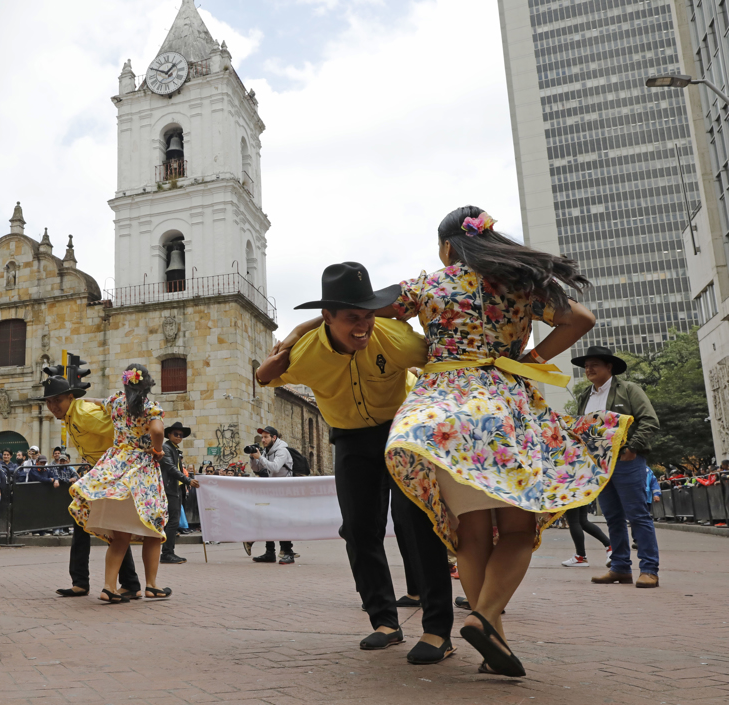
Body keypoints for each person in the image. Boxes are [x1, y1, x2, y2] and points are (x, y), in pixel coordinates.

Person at [381, 207, 631, 677]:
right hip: (503, 411)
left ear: (448, 247)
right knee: (516, 530)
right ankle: (484, 618)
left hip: (442, 417)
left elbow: (372, 310)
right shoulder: (521, 284)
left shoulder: (429, 284)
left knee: (472, 537)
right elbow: (581, 318)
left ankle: (493, 638)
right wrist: (529, 355)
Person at [257, 262, 454, 665]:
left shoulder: (394, 337)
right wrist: (293, 337)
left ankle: (437, 631)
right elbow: (264, 376)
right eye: (351, 318)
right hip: (350, 440)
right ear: (327, 318)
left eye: (368, 315)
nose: (363, 327)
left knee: (417, 525)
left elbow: (445, 361)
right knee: (359, 531)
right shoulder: (306, 352)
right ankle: (384, 622)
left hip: (402, 433)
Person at [69, 364, 170, 603]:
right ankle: (152, 585)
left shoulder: (115, 401)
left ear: (126, 383)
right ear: (147, 385)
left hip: (115, 465)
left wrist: (80, 398)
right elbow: (157, 429)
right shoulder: (150, 407)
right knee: (154, 529)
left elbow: (96, 401)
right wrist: (157, 449)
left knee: (120, 535)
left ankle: (109, 587)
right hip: (141, 468)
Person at [42, 373, 143, 599]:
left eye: (57, 400)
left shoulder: (84, 414)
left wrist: (117, 468)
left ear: (70, 397)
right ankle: (108, 582)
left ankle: (115, 582)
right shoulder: (72, 414)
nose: (52, 406)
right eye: (48, 402)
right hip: (101, 471)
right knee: (85, 520)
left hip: (113, 472)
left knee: (107, 525)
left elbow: (124, 432)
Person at [572, 345, 661, 588]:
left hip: (626, 461)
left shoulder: (629, 389)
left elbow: (650, 420)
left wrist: (633, 448)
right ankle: (620, 567)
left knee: (638, 516)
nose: (588, 369)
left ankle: (649, 569)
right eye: (586, 366)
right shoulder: (584, 396)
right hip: (599, 465)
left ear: (608, 367)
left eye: (594, 365)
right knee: (612, 517)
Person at [246, 426, 296, 565]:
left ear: (274, 437)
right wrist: (253, 458)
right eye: (262, 437)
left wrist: (260, 457)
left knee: (283, 521)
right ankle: (270, 552)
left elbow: (274, 467)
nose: (263, 440)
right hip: (272, 490)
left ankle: (288, 552)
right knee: (268, 519)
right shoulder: (266, 452)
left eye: (266, 437)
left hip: (284, 490)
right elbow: (257, 469)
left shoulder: (282, 450)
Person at [160, 421, 200, 565]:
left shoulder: (174, 449)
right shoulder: (166, 447)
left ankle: (168, 552)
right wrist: (188, 480)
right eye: (176, 434)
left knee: (173, 521)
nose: (179, 437)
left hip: (175, 489)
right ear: (169, 435)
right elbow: (170, 468)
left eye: (181, 435)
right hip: (170, 489)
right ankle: (167, 553)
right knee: (172, 522)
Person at [559, 501, 611, 568]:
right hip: (583, 491)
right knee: (583, 521)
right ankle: (609, 546)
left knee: (573, 521)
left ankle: (581, 557)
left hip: (571, 492)